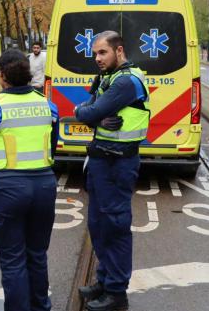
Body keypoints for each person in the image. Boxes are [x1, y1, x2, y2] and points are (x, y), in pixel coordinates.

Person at [0, 49, 59, 311]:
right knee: (37, 254)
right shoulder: (47, 104)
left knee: (12, 259)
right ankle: (41, 307)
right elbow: (52, 146)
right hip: (44, 184)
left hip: (7, 187)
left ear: (2, 76)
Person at [72, 30, 149, 311]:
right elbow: (85, 111)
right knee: (98, 225)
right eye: (94, 54)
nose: (97, 59)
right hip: (101, 161)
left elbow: (88, 113)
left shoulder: (127, 81)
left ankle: (117, 293)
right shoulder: (107, 78)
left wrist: (92, 115)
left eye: (102, 52)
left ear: (119, 51)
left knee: (115, 227)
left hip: (119, 163)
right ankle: (104, 280)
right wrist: (94, 116)